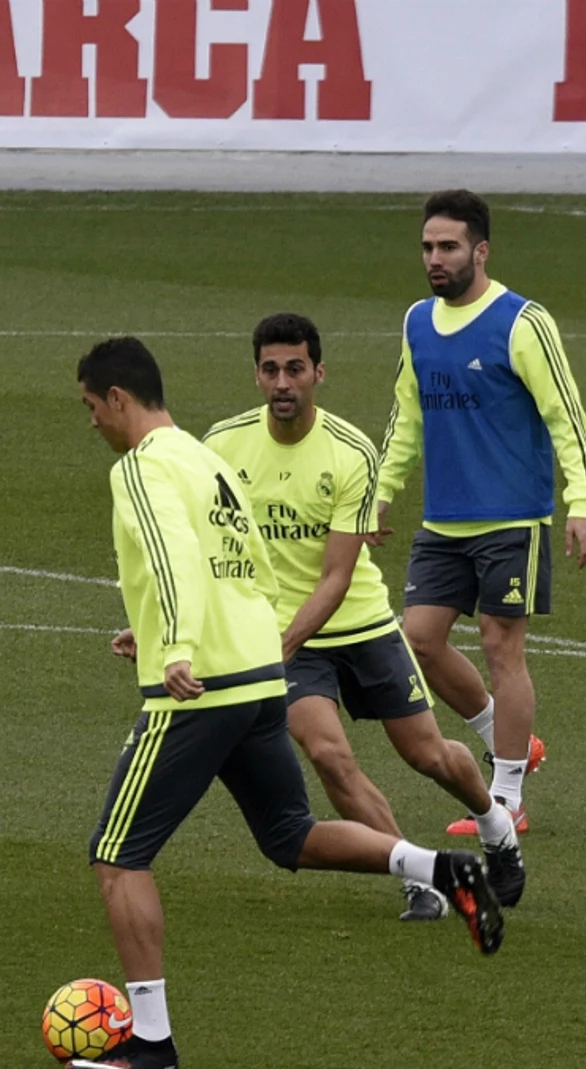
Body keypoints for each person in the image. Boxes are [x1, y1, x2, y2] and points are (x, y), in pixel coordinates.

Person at [72, 338, 503, 1069]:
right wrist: (159, 626)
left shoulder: (142, 467)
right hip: (261, 675)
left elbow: (175, 554)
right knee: (288, 832)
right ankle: (439, 868)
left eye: (90, 407)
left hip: (200, 688)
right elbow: (251, 565)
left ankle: (152, 1043)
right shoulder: (207, 460)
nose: (92, 424)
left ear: (118, 398)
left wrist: (173, 644)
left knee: (118, 856)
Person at [203, 313, 525, 922]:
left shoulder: (351, 451)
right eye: (270, 370)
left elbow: (336, 577)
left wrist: (281, 645)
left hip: (359, 628)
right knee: (327, 754)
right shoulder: (221, 447)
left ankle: (494, 823)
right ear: (255, 376)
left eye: (295, 369)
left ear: (318, 373)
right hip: (288, 644)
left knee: (430, 756)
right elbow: (202, 546)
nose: (282, 383)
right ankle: (421, 879)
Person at [375, 190, 586, 835]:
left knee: (504, 649)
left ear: (480, 250)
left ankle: (507, 799)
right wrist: (380, 491)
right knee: (418, 638)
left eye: (448, 247)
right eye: (427, 247)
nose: (435, 259)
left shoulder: (522, 322)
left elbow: (567, 417)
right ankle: (510, 740)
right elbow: (406, 417)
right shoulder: (418, 321)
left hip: (511, 517)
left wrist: (582, 503)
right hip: (443, 521)